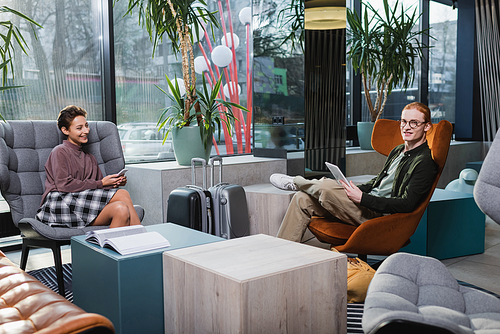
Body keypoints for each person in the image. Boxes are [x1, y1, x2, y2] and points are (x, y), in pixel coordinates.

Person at [270, 102, 438, 242]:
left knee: (326, 188)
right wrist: (358, 190)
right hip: (365, 203)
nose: (407, 127)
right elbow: (379, 181)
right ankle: (283, 256)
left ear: (427, 126)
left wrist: (363, 198)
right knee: (302, 198)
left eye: (414, 123)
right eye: (403, 121)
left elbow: (407, 204)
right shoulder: (398, 150)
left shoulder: (425, 162)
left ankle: (296, 182)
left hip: (378, 216)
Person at [36, 105, 141, 228]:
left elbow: (98, 188)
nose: (86, 131)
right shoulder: (60, 151)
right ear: (65, 130)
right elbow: (64, 185)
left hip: (82, 205)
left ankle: (111, 246)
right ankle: (144, 239)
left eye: (86, 126)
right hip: (60, 203)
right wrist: (101, 183)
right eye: (79, 128)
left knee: (121, 209)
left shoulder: (89, 157)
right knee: (122, 194)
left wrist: (113, 183)